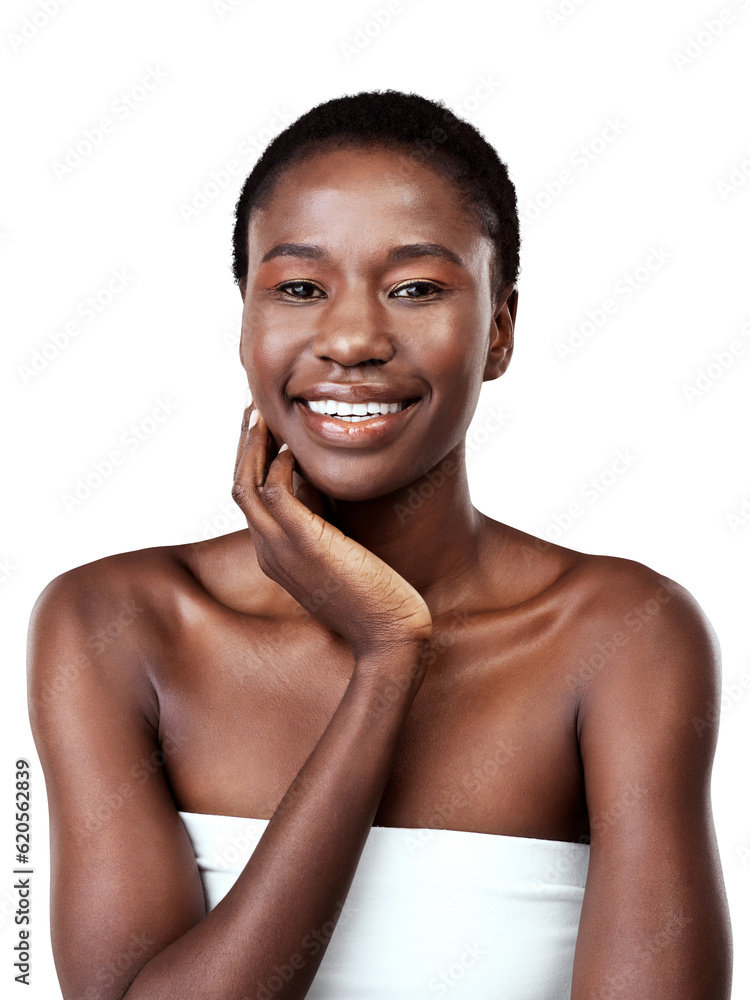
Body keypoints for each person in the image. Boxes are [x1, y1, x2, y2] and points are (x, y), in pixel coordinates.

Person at [27, 90, 732, 1000]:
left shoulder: (624, 635)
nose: (353, 338)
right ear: (246, 320)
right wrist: (387, 662)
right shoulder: (114, 626)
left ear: (500, 332)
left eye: (415, 289)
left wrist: (391, 646)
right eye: (299, 288)